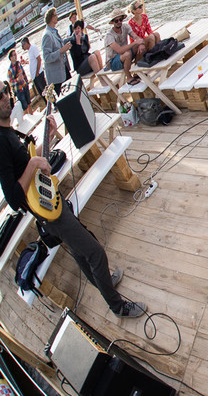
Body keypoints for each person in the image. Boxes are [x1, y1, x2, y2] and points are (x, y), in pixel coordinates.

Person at [0, 82, 147, 318]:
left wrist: (45, 140)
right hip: (47, 212)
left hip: (49, 199)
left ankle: (104, 282)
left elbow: (27, 164)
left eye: (5, 91)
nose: (5, 97)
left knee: (81, 251)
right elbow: (14, 198)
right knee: (95, 252)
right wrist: (33, 163)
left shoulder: (9, 132)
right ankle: (117, 306)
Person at [104, 8, 144, 85]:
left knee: (141, 46)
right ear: (113, 22)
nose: (119, 22)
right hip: (112, 61)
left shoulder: (125, 26)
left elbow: (135, 36)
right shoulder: (109, 36)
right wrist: (135, 43)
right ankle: (128, 77)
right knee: (127, 53)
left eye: (120, 19)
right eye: (116, 21)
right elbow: (119, 50)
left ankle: (137, 72)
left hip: (125, 53)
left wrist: (140, 43)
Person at [41, 8, 73, 94]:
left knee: (72, 92)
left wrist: (72, 38)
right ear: (51, 18)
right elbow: (46, 57)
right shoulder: (47, 35)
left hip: (63, 69)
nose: (57, 16)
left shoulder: (54, 32)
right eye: (55, 15)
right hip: (57, 77)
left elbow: (59, 43)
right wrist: (61, 50)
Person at [7, 50, 32, 115]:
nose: (15, 56)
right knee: (24, 107)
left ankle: (32, 115)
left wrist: (26, 82)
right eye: (14, 55)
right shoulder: (10, 70)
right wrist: (17, 79)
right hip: (19, 89)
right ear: (11, 57)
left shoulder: (18, 64)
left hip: (24, 86)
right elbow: (11, 82)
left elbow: (23, 73)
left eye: (15, 54)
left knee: (29, 103)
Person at [21, 37, 45, 102]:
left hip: (38, 74)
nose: (23, 47)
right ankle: (48, 105)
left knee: (45, 90)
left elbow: (39, 59)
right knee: (41, 93)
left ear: (26, 43)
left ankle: (54, 103)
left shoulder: (33, 48)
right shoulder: (29, 51)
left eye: (23, 45)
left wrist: (37, 72)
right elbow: (33, 62)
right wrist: (26, 62)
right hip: (35, 76)